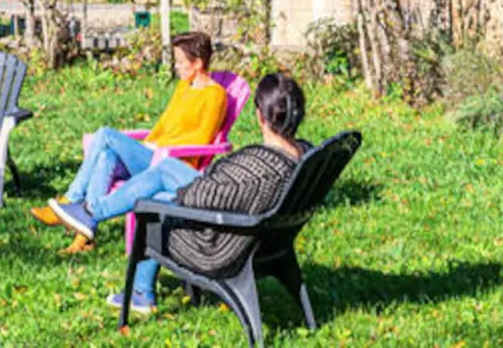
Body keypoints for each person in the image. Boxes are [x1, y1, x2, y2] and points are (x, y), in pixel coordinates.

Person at [108, 71, 310, 316]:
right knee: (167, 170)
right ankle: (93, 214)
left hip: (221, 246)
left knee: (155, 202)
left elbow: (199, 196)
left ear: (260, 116)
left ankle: (136, 285)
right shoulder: (304, 155)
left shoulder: (257, 167)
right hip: (267, 238)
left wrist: (180, 193)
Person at [38, 31, 227, 247]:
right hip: (152, 152)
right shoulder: (184, 87)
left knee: (106, 135)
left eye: (181, 62)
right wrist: (149, 143)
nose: (176, 67)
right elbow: (165, 123)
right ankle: (84, 234)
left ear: (198, 63)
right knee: (105, 157)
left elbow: (201, 139)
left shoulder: (215, 95)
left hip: (172, 163)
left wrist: (160, 147)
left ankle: (71, 200)